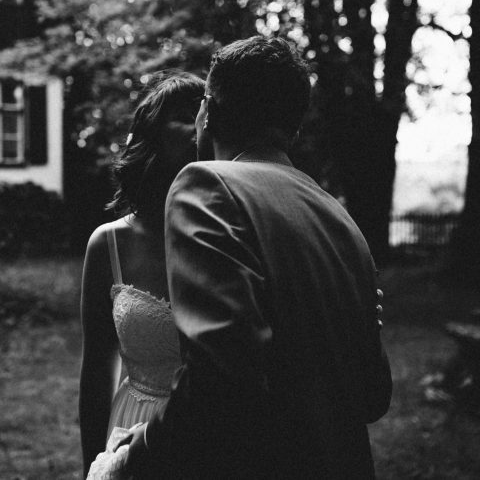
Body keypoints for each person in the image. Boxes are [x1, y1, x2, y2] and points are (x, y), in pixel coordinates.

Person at [110, 36, 392, 479]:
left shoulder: (208, 185)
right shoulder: (339, 218)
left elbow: (219, 379)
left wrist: (136, 452)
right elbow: (374, 396)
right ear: (293, 126)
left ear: (208, 112)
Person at [79, 71, 206, 477]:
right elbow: (96, 370)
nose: (202, 123)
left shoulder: (229, 236)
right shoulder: (109, 245)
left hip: (211, 436)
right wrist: (94, 466)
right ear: (152, 135)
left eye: (207, 113)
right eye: (187, 114)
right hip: (131, 429)